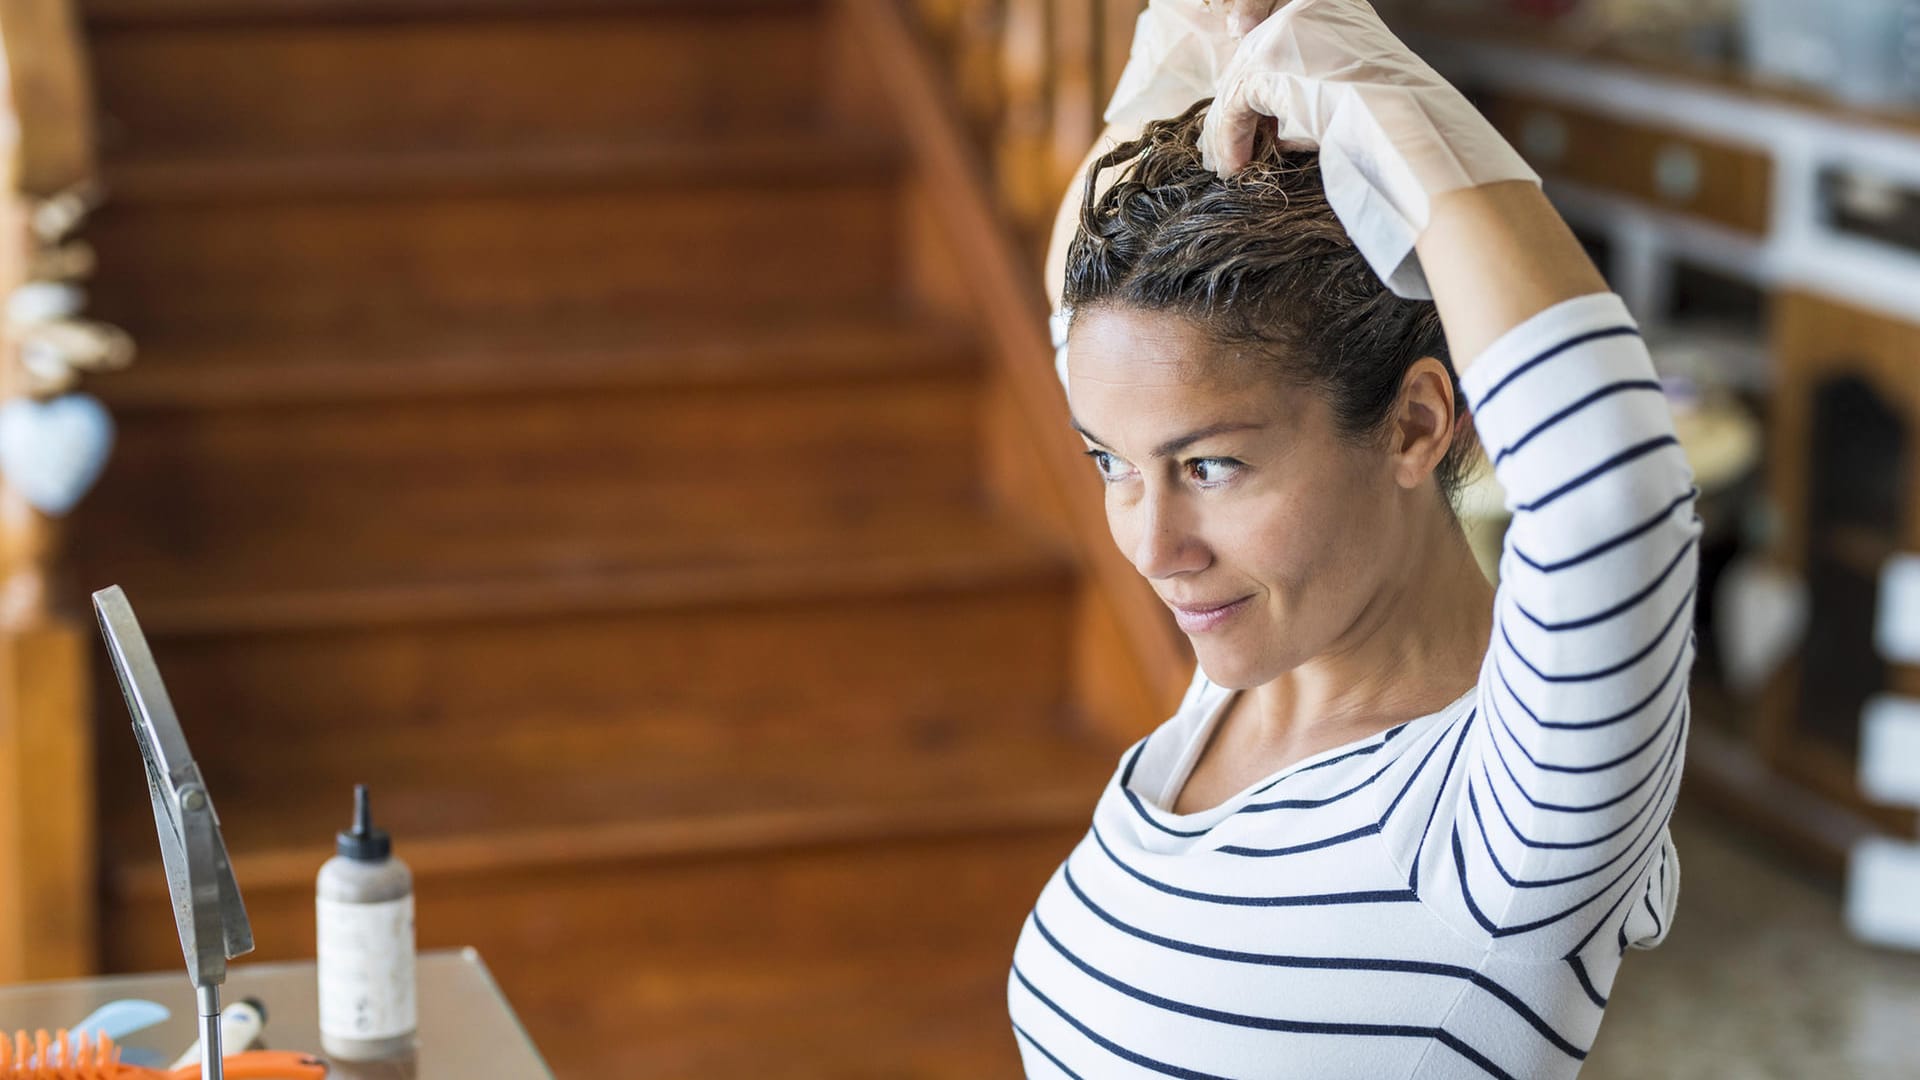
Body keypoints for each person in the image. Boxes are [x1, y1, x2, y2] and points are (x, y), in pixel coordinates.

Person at [1008, 1, 1699, 1076]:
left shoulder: (1502, 826)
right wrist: (1183, 55)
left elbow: (1612, 489)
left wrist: (1383, 93)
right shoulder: (1257, 676)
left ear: (1418, 424)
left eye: (1211, 468)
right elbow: (1096, 331)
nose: (1152, 546)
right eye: (1112, 465)